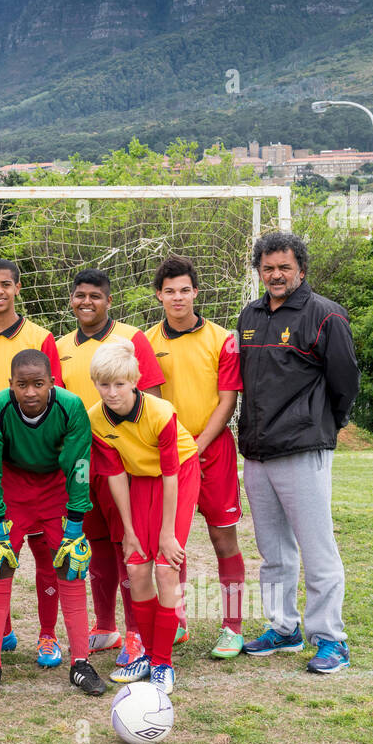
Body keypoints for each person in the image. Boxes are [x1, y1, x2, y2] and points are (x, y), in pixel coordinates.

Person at [237, 232, 360, 673]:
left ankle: (330, 638)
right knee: (274, 551)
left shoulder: (325, 315)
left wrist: (326, 425)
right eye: (268, 268)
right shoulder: (248, 315)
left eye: (284, 267)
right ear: (259, 271)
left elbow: (345, 383)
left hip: (303, 449)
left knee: (316, 548)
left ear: (301, 270)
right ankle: (283, 628)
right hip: (256, 452)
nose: (276, 275)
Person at [0, 349, 106, 699]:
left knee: (72, 563)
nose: (30, 392)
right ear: (10, 384)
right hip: (13, 487)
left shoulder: (71, 407)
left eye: (38, 384)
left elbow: (78, 463)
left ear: (52, 383)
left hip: (53, 487)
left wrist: (75, 522)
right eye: (22, 384)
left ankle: (80, 661)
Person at [55, 268, 165, 670]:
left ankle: (137, 633)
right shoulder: (59, 344)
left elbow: (149, 399)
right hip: (83, 464)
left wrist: (140, 454)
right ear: (71, 299)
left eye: (95, 296)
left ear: (109, 300)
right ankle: (105, 625)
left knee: (128, 548)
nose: (87, 302)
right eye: (80, 295)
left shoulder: (132, 339)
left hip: (123, 461)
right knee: (95, 544)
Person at [147, 255, 247, 659]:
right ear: (159, 296)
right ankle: (178, 620)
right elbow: (150, 401)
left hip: (213, 450)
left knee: (224, 538)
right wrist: (175, 446)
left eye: (184, 289)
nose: (177, 297)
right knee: (172, 542)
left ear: (196, 292)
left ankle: (233, 626)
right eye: (169, 291)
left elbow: (228, 401)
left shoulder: (223, 338)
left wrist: (198, 445)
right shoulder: (147, 342)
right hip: (170, 455)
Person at [0, 259, 65, 667]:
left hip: (40, 464)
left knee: (47, 553)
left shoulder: (41, 337)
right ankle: (3, 632)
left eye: (6, 285)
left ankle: (47, 636)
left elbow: (55, 396)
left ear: (18, 288)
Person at [87, 341, 199, 692]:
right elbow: (116, 476)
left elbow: (170, 474)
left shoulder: (161, 412)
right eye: (104, 385)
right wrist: (130, 531)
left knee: (166, 566)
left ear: (134, 381)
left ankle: (163, 662)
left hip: (177, 475)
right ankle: (148, 654)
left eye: (119, 384)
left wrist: (167, 534)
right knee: (136, 566)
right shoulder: (94, 417)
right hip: (140, 479)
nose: (111, 392)